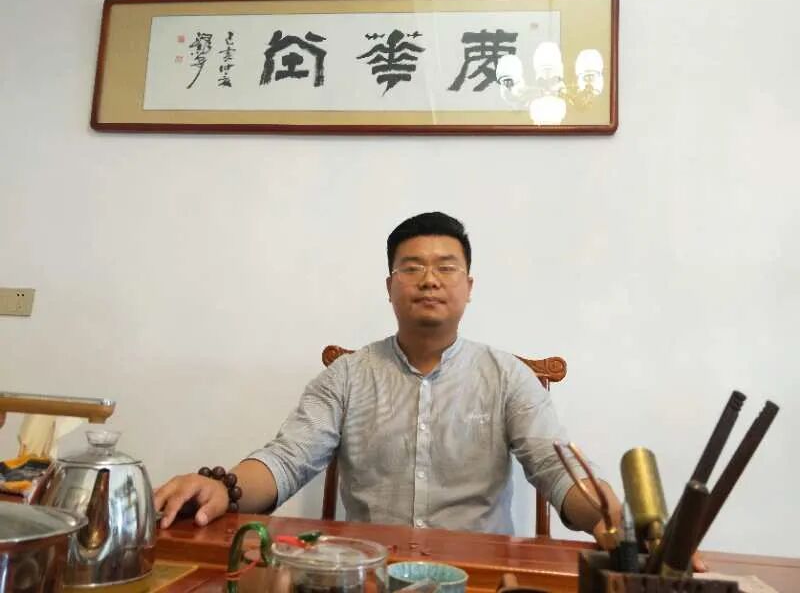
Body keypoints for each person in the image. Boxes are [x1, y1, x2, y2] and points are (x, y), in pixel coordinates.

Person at [156, 211, 622, 545]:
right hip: (368, 572)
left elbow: (554, 466)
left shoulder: (506, 377)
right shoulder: (347, 376)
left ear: (469, 287)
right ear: (389, 286)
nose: (429, 280)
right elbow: (288, 458)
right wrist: (223, 486)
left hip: (476, 576)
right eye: (412, 268)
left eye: (446, 268)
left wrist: (604, 512)